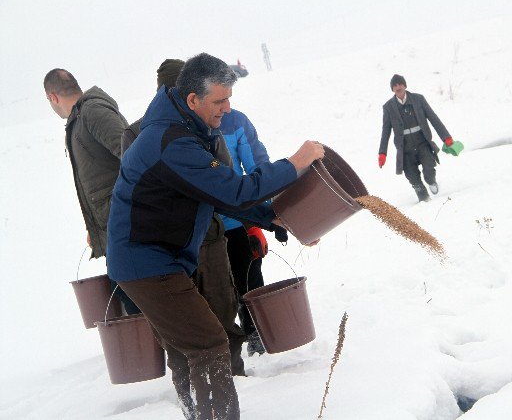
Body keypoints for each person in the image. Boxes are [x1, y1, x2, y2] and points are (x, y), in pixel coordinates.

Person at [107, 52, 324, 420]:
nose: (226, 109)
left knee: (186, 347)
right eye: (219, 101)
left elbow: (221, 197)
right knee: (208, 342)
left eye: (229, 99)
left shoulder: (188, 128)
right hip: (146, 262)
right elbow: (236, 190)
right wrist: (294, 163)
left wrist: (275, 218)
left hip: (159, 258)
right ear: (193, 99)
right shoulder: (171, 142)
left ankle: (197, 413)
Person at [121, 58, 247, 376]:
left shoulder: (207, 128)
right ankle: (196, 385)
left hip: (210, 237)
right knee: (183, 327)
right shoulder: (138, 133)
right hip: (168, 248)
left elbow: (227, 178)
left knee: (222, 308)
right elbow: (134, 189)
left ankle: (232, 375)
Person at [43, 69, 138, 314]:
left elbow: (133, 156)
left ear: (52, 97)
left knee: (138, 299)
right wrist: (95, 228)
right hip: (112, 227)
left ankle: (173, 351)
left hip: (128, 227)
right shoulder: (78, 119)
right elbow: (101, 178)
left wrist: (123, 210)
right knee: (130, 299)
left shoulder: (92, 112)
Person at [217, 106, 272, 356]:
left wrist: (266, 215)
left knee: (248, 278)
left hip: (235, 221)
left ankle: (255, 335)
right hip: (201, 228)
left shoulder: (235, 121)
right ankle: (225, 347)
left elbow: (257, 169)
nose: (224, 106)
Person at [378, 74, 455, 201]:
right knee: (413, 178)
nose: (398, 87)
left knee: (429, 169)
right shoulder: (388, 107)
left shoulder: (418, 99)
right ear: (392, 89)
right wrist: (382, 153)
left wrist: (446, 137)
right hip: (405, 148)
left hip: (422, 143)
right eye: (395, 85)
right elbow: (385, 131)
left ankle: (431, 181)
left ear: (405, 85)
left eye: (400, 84)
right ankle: (424, 199)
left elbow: (433, 118)